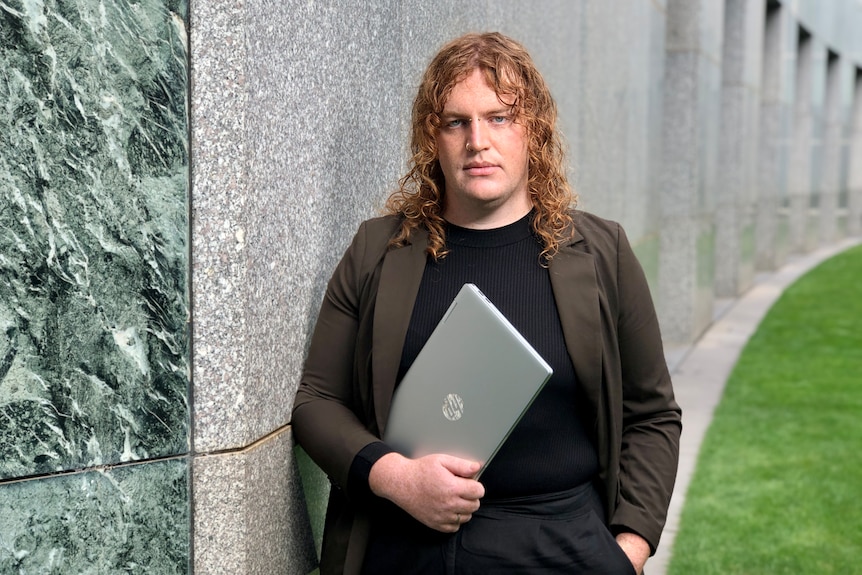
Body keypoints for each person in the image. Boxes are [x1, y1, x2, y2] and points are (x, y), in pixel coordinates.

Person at [292, 32, 681, 575]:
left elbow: (652, 414)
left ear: (533, 129)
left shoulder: (602, 253)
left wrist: (630, 549)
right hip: (406, 547)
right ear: (434, 137)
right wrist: (394, 477)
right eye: (456, 121)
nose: (478, 140)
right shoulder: (379, 251)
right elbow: (315, 401)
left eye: (499, 117)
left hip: (562, 545)